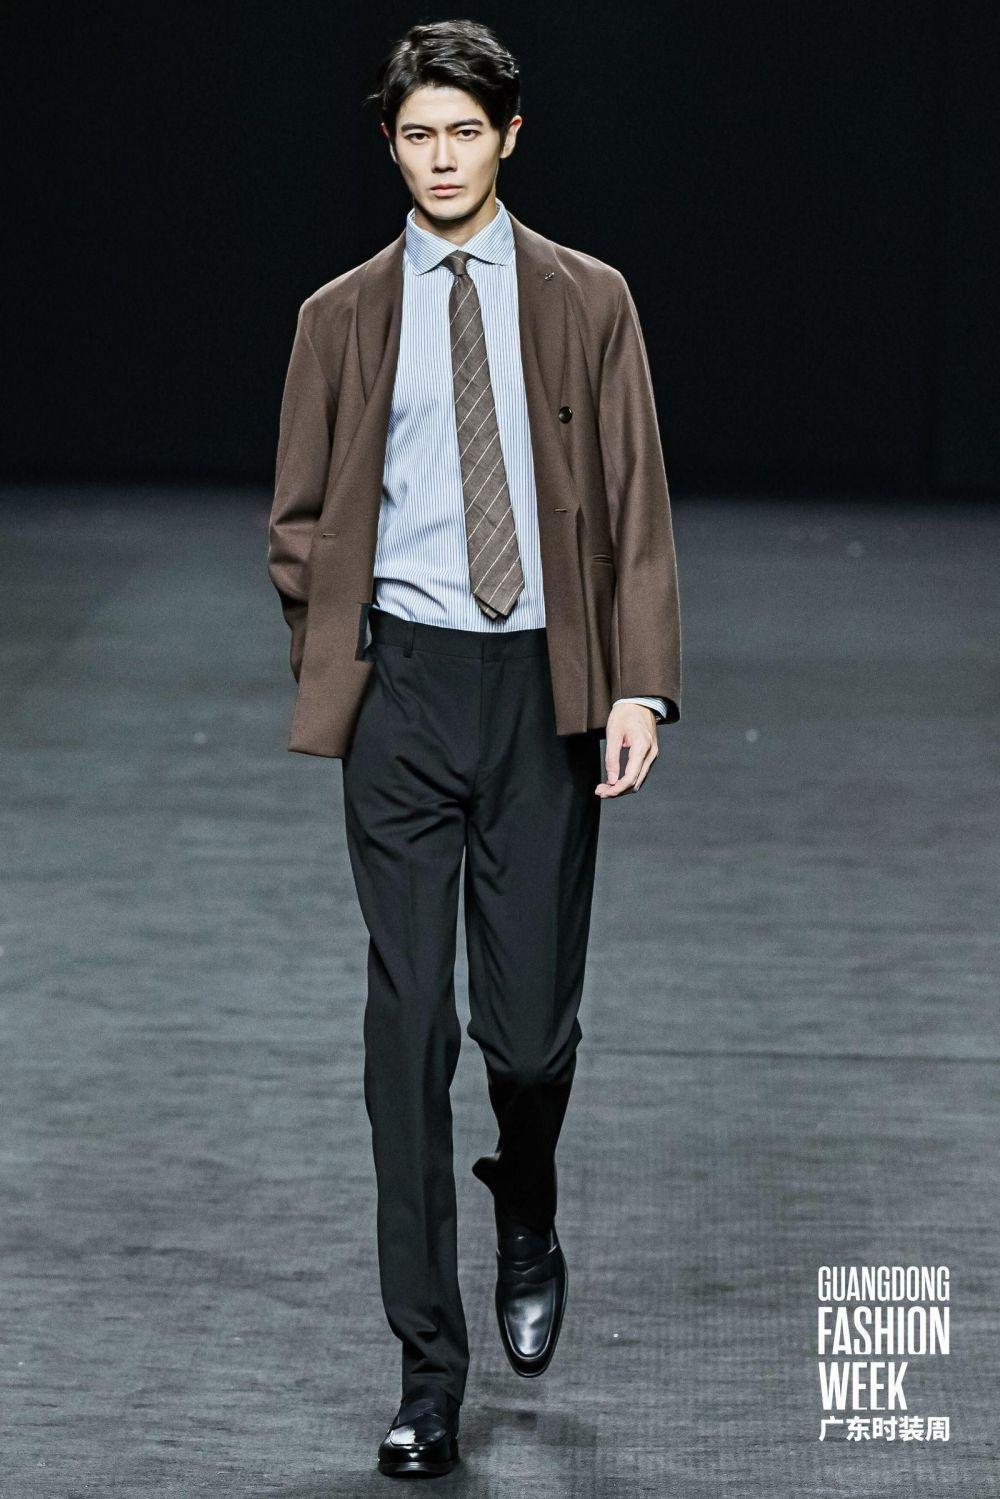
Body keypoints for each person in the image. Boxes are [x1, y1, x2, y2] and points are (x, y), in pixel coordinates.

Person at [266, 18, 682, 1479]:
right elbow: (298, 520)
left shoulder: (587, 298)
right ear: (390, 148)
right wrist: (344, 662)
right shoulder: (339, 316)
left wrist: (638, 687)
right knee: (407, 1032)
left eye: (463, 131)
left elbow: (634, 500)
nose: (441, 159)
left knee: (527, 1031)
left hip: (543, 690)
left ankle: (529, 1190)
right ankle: (426, 1372)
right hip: (405, 688)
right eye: (416, 136)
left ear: (509, 135)